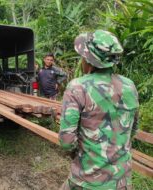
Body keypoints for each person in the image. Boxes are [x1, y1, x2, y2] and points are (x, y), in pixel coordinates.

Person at [59, 30, 139, 190]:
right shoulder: (130, 86)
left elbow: (66, 142)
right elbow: (133, 129)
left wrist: (81, 152)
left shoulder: (78, 87)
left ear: (88, 59)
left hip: (87, 180)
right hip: (121, 181)